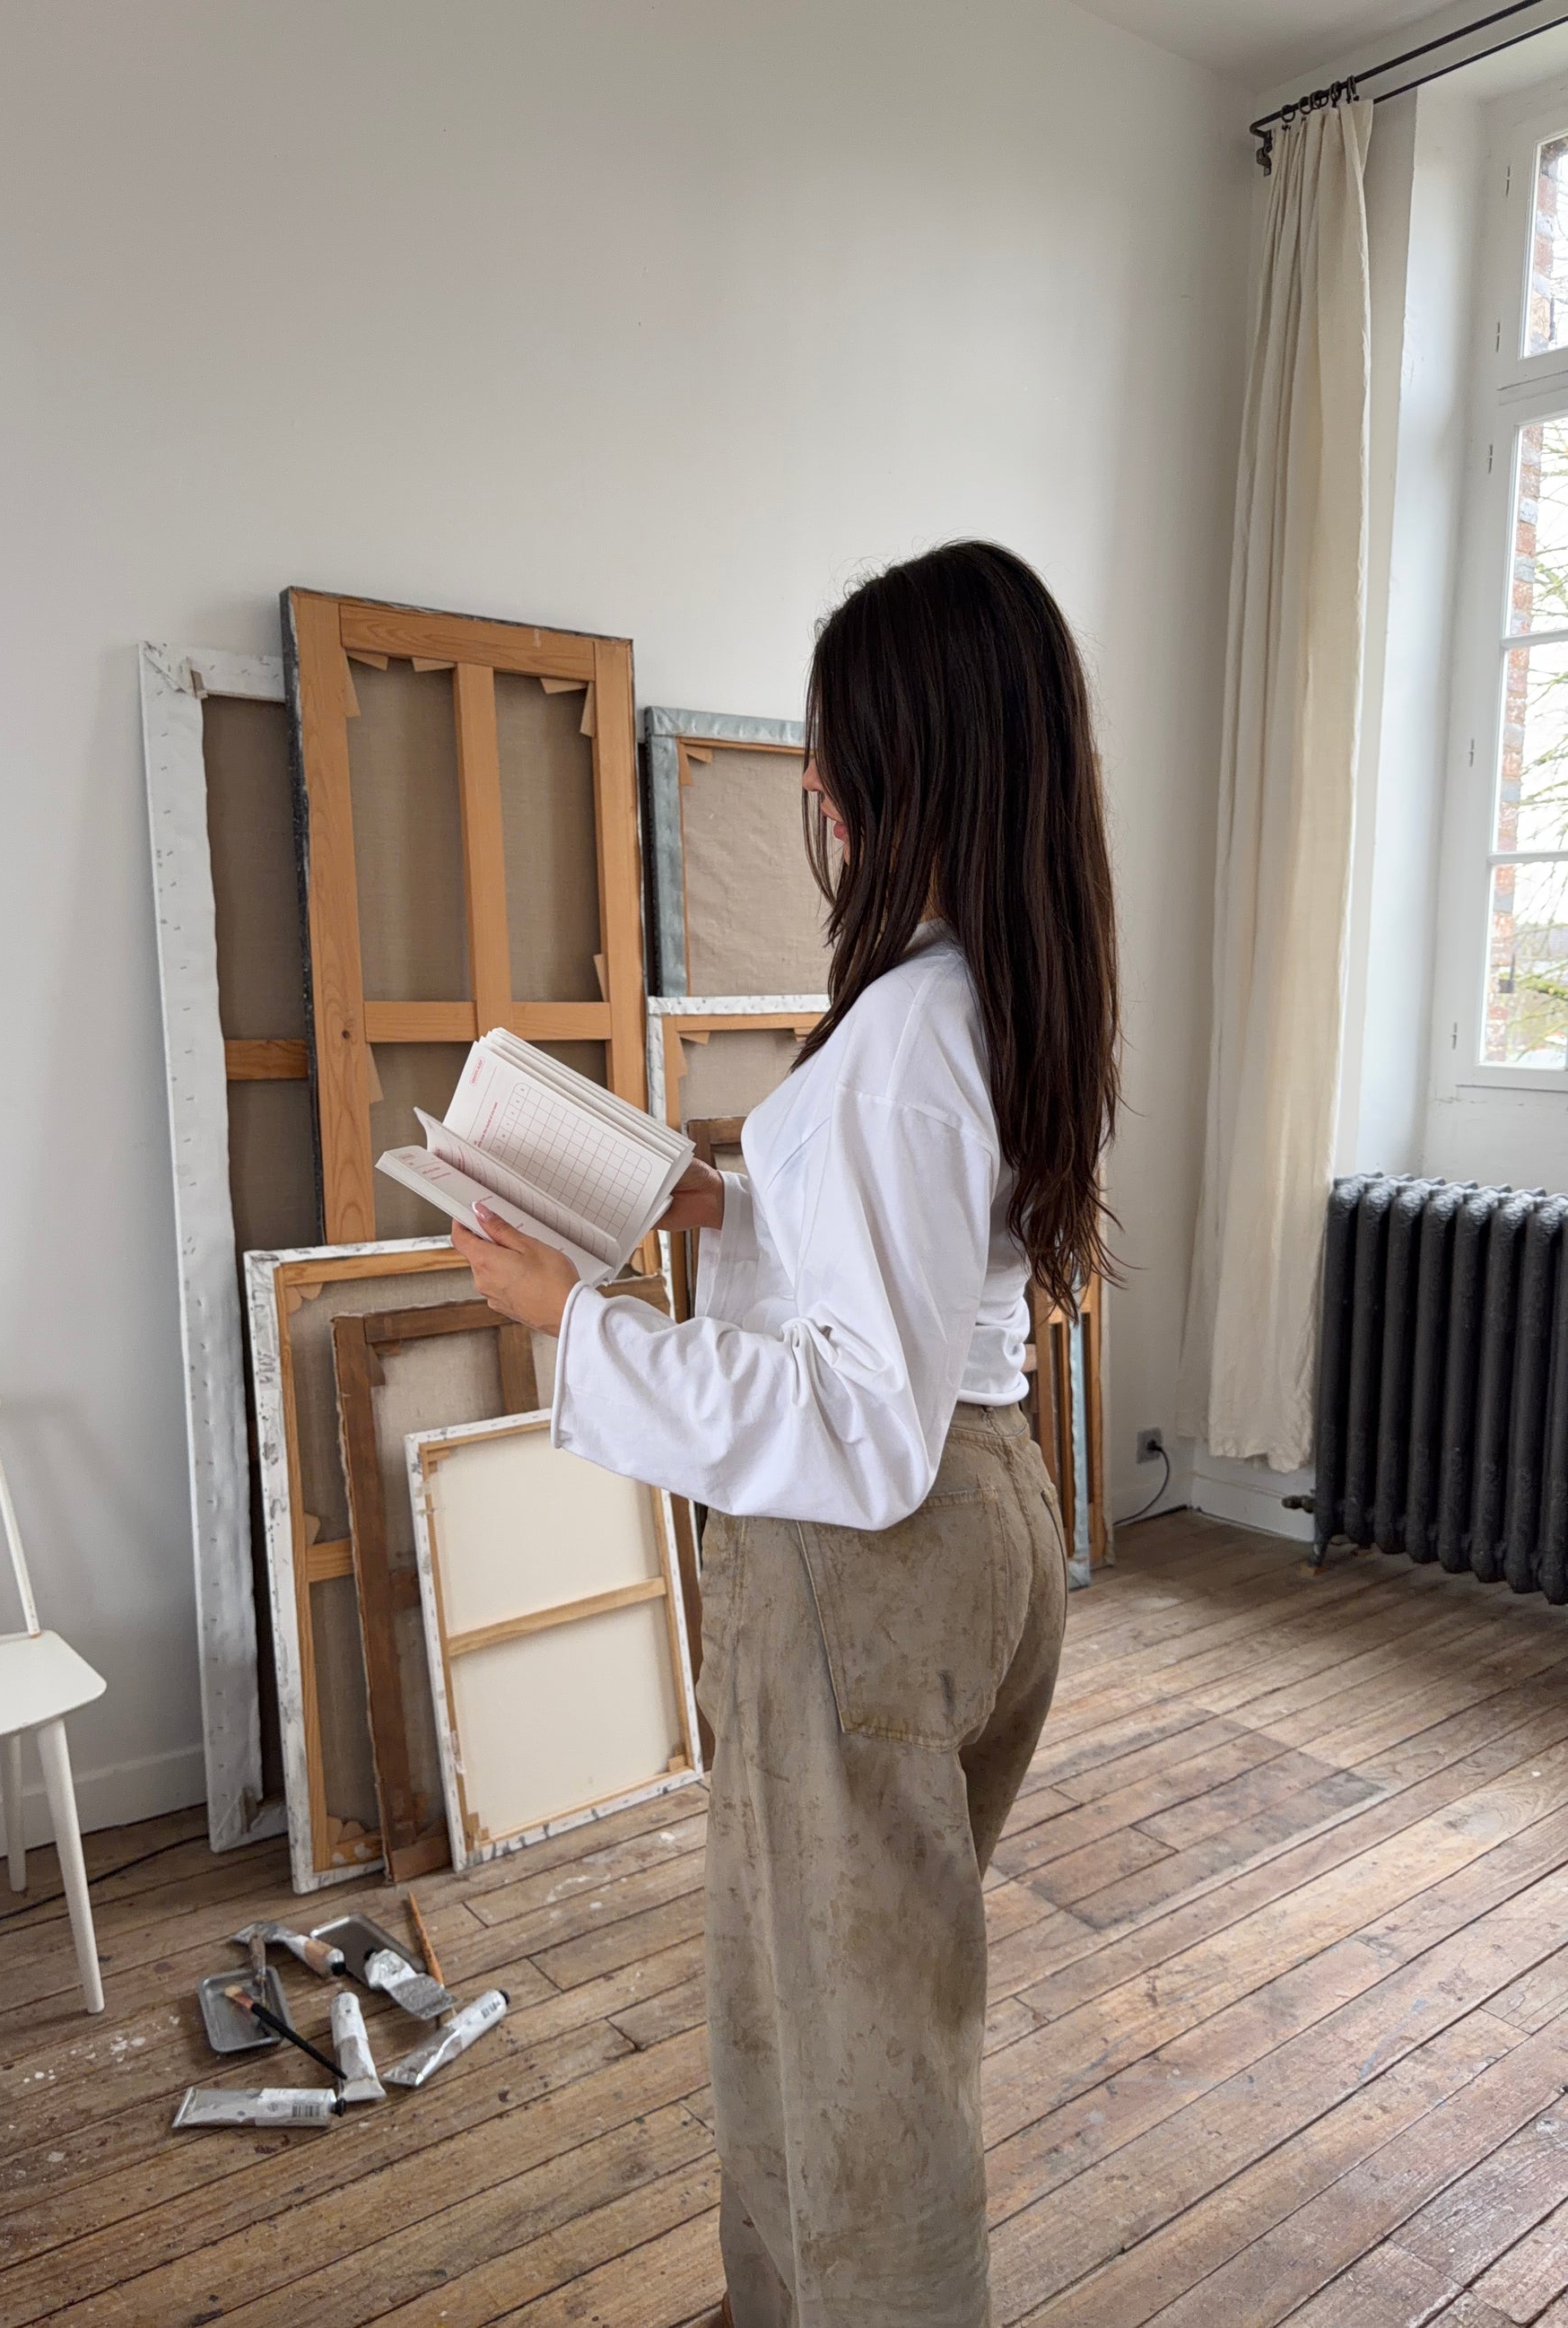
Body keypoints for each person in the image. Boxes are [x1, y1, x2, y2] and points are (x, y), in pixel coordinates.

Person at [451, 539, 1121, 2328]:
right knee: (844, 2015)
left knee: (851, 2079)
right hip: (981, 1524)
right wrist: (730, 1206)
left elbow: (854, 1422)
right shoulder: (994, 986)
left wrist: (573, 1319)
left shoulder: (901, 1034)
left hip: (870, 1576)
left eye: (836, 748)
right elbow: (921, 1284)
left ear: (913, 760)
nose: (813, 782)